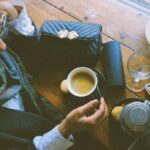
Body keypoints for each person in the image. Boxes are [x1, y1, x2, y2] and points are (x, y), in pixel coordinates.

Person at [0, 2, 108, 150]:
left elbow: (28, 58)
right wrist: (65, 130)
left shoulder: (2, 46)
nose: (2, 46)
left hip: (44, 108)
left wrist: (14, 20)